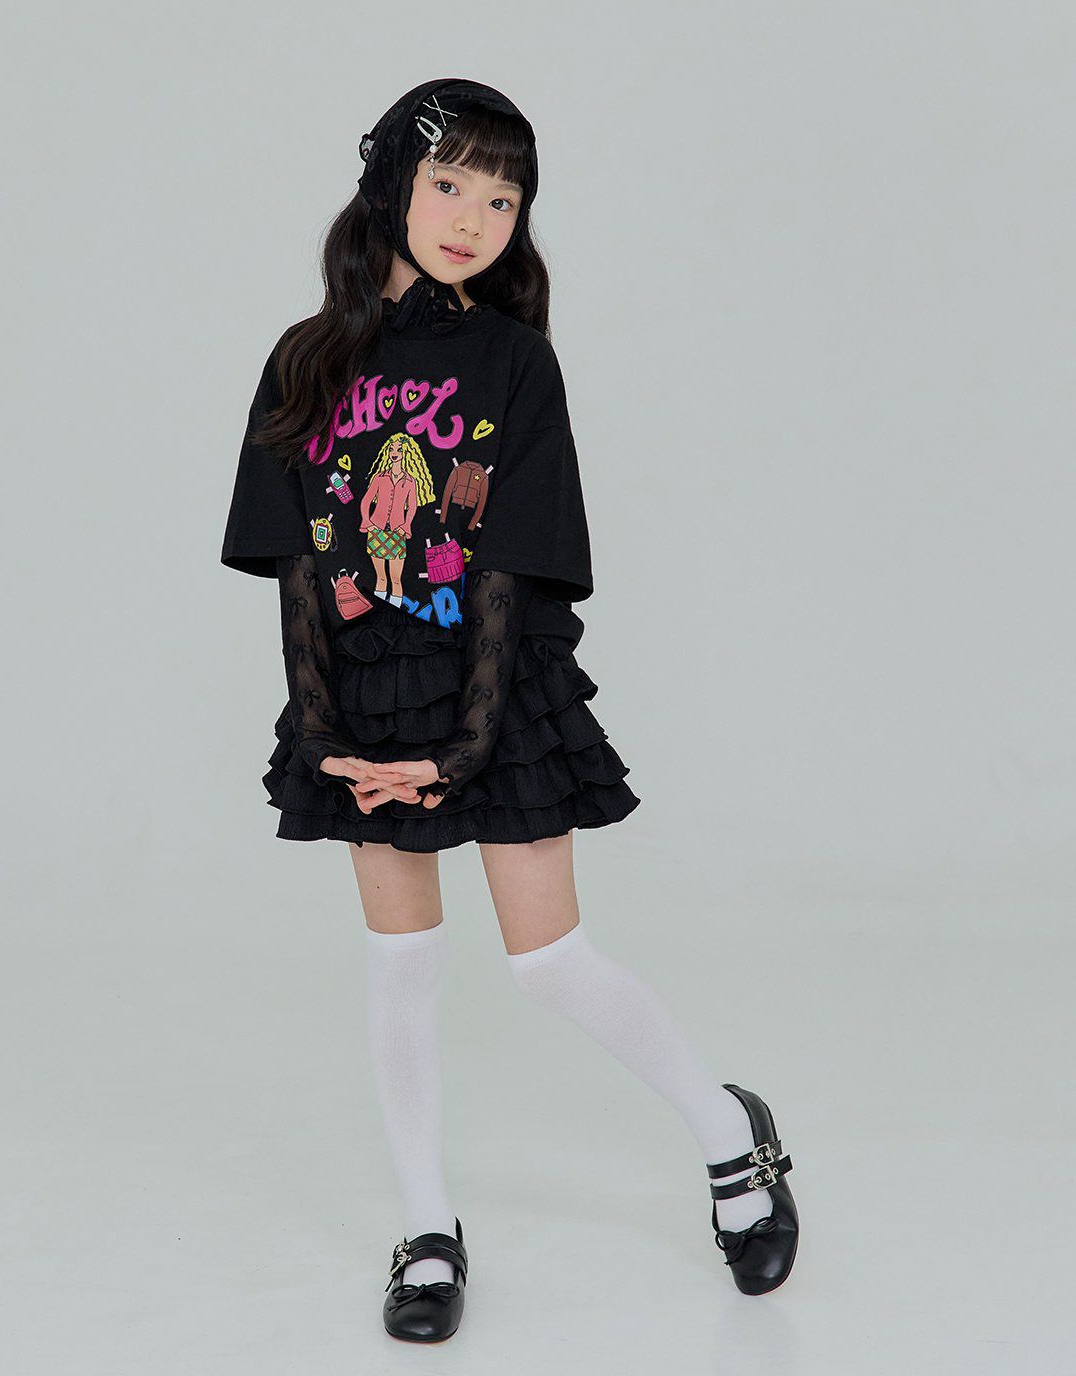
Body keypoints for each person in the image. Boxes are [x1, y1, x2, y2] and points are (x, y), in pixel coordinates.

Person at [220, 78, 799, 1342]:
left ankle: (728, 1136)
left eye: (502, 198)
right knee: (402, 963)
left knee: (546, 963)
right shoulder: (304, 360)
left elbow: (509, 567)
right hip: (361, 698)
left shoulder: (514, 361)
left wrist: (460, 746)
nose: (473, 219)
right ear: (391, 187)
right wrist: (328, 737)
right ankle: (425, 1227)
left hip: (492, 687)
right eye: (449, 185)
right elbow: (300, 568)